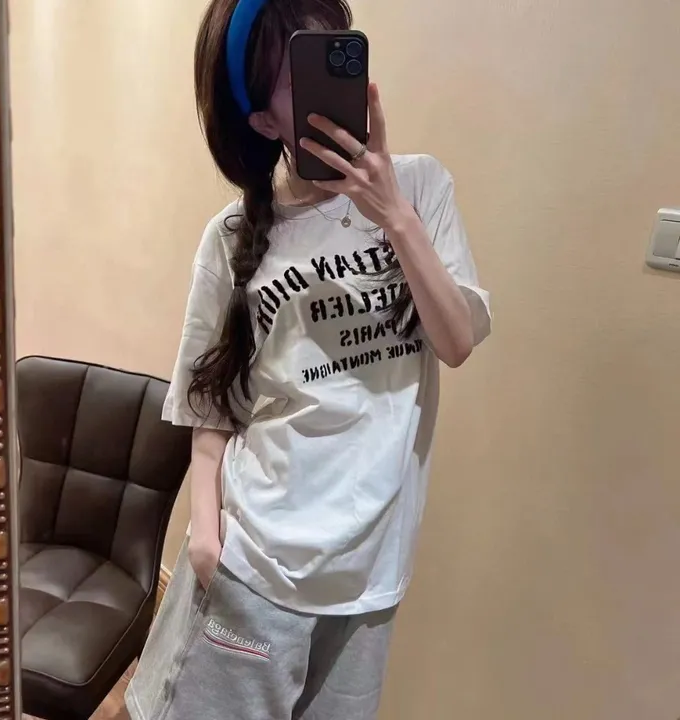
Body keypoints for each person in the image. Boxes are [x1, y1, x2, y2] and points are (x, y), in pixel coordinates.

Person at [125, 0, 491, 718]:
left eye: (338, 51)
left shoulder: (421, 189)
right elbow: (210, 401)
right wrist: (207, 536)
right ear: (265, 121)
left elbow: (454, 343)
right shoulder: (231, 235)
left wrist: (393, 215)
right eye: (301, 70)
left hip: (371, 576)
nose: (336, 80)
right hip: (255, 564)